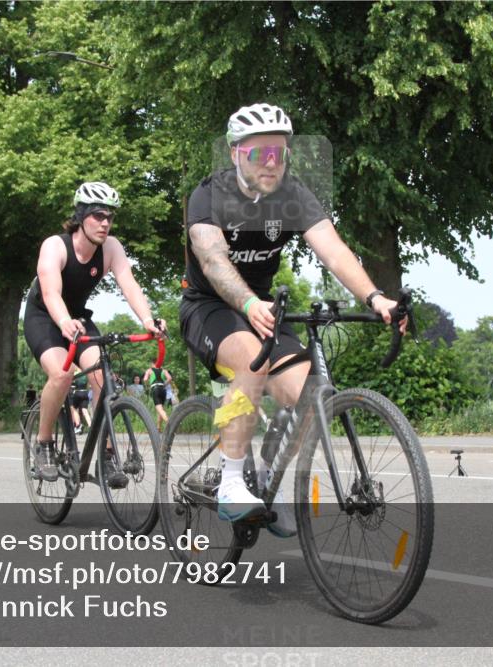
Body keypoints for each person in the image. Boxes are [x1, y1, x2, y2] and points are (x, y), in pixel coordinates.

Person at [179, 102, 409, 537]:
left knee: (310, 394)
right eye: (259, 153)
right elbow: (212, 260)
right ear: (235, 154)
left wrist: (375, 296)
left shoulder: (292, 195)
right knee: (251, 359)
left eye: (279, 153)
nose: (271, 162)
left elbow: (334, 249)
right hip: (209, 307)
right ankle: (230, 482)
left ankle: (266, 478)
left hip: (264, 308)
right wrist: (247, 305)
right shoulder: (209, 195)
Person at [23, 181, 164, 486]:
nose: (105, 223)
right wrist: (63, 321)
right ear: (80, 216)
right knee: (61, 375)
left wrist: (148, 320)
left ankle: (107, 456)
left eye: (110, 217)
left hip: (78, 319)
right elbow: (50, 292)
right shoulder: (55, 246)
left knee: (105, 380)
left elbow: (129, 285)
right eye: (98, 215)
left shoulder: (111, 248)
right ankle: (43, 444)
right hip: (45, 319)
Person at [143, 364, 173, 430]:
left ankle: (170, 422)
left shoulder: (149, 370)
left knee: (160, 409)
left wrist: (148, 385)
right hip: (163, 390)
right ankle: (158, 427)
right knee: (160, 409)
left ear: (152, 363)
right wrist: (164, 384)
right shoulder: (164, 370)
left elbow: (145, 379)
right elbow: (170, 378)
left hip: (155, 389)